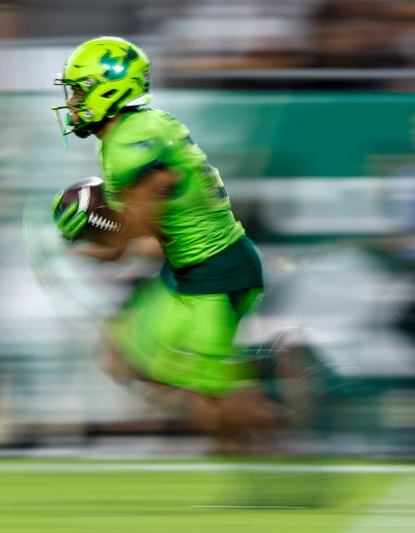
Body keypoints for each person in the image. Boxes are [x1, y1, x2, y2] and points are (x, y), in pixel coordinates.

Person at [51, 37, 281, 447]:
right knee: (121, 352)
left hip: (215, 274)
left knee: (221, 397)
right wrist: (107, 234)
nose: (71, 103)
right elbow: (160, 227)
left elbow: (148, 204)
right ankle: (247, 413)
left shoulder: (128, 144)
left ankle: (284, 441)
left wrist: (97, 241)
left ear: (109, 89)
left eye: (79, 91)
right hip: (195, 269)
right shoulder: (142, 127)